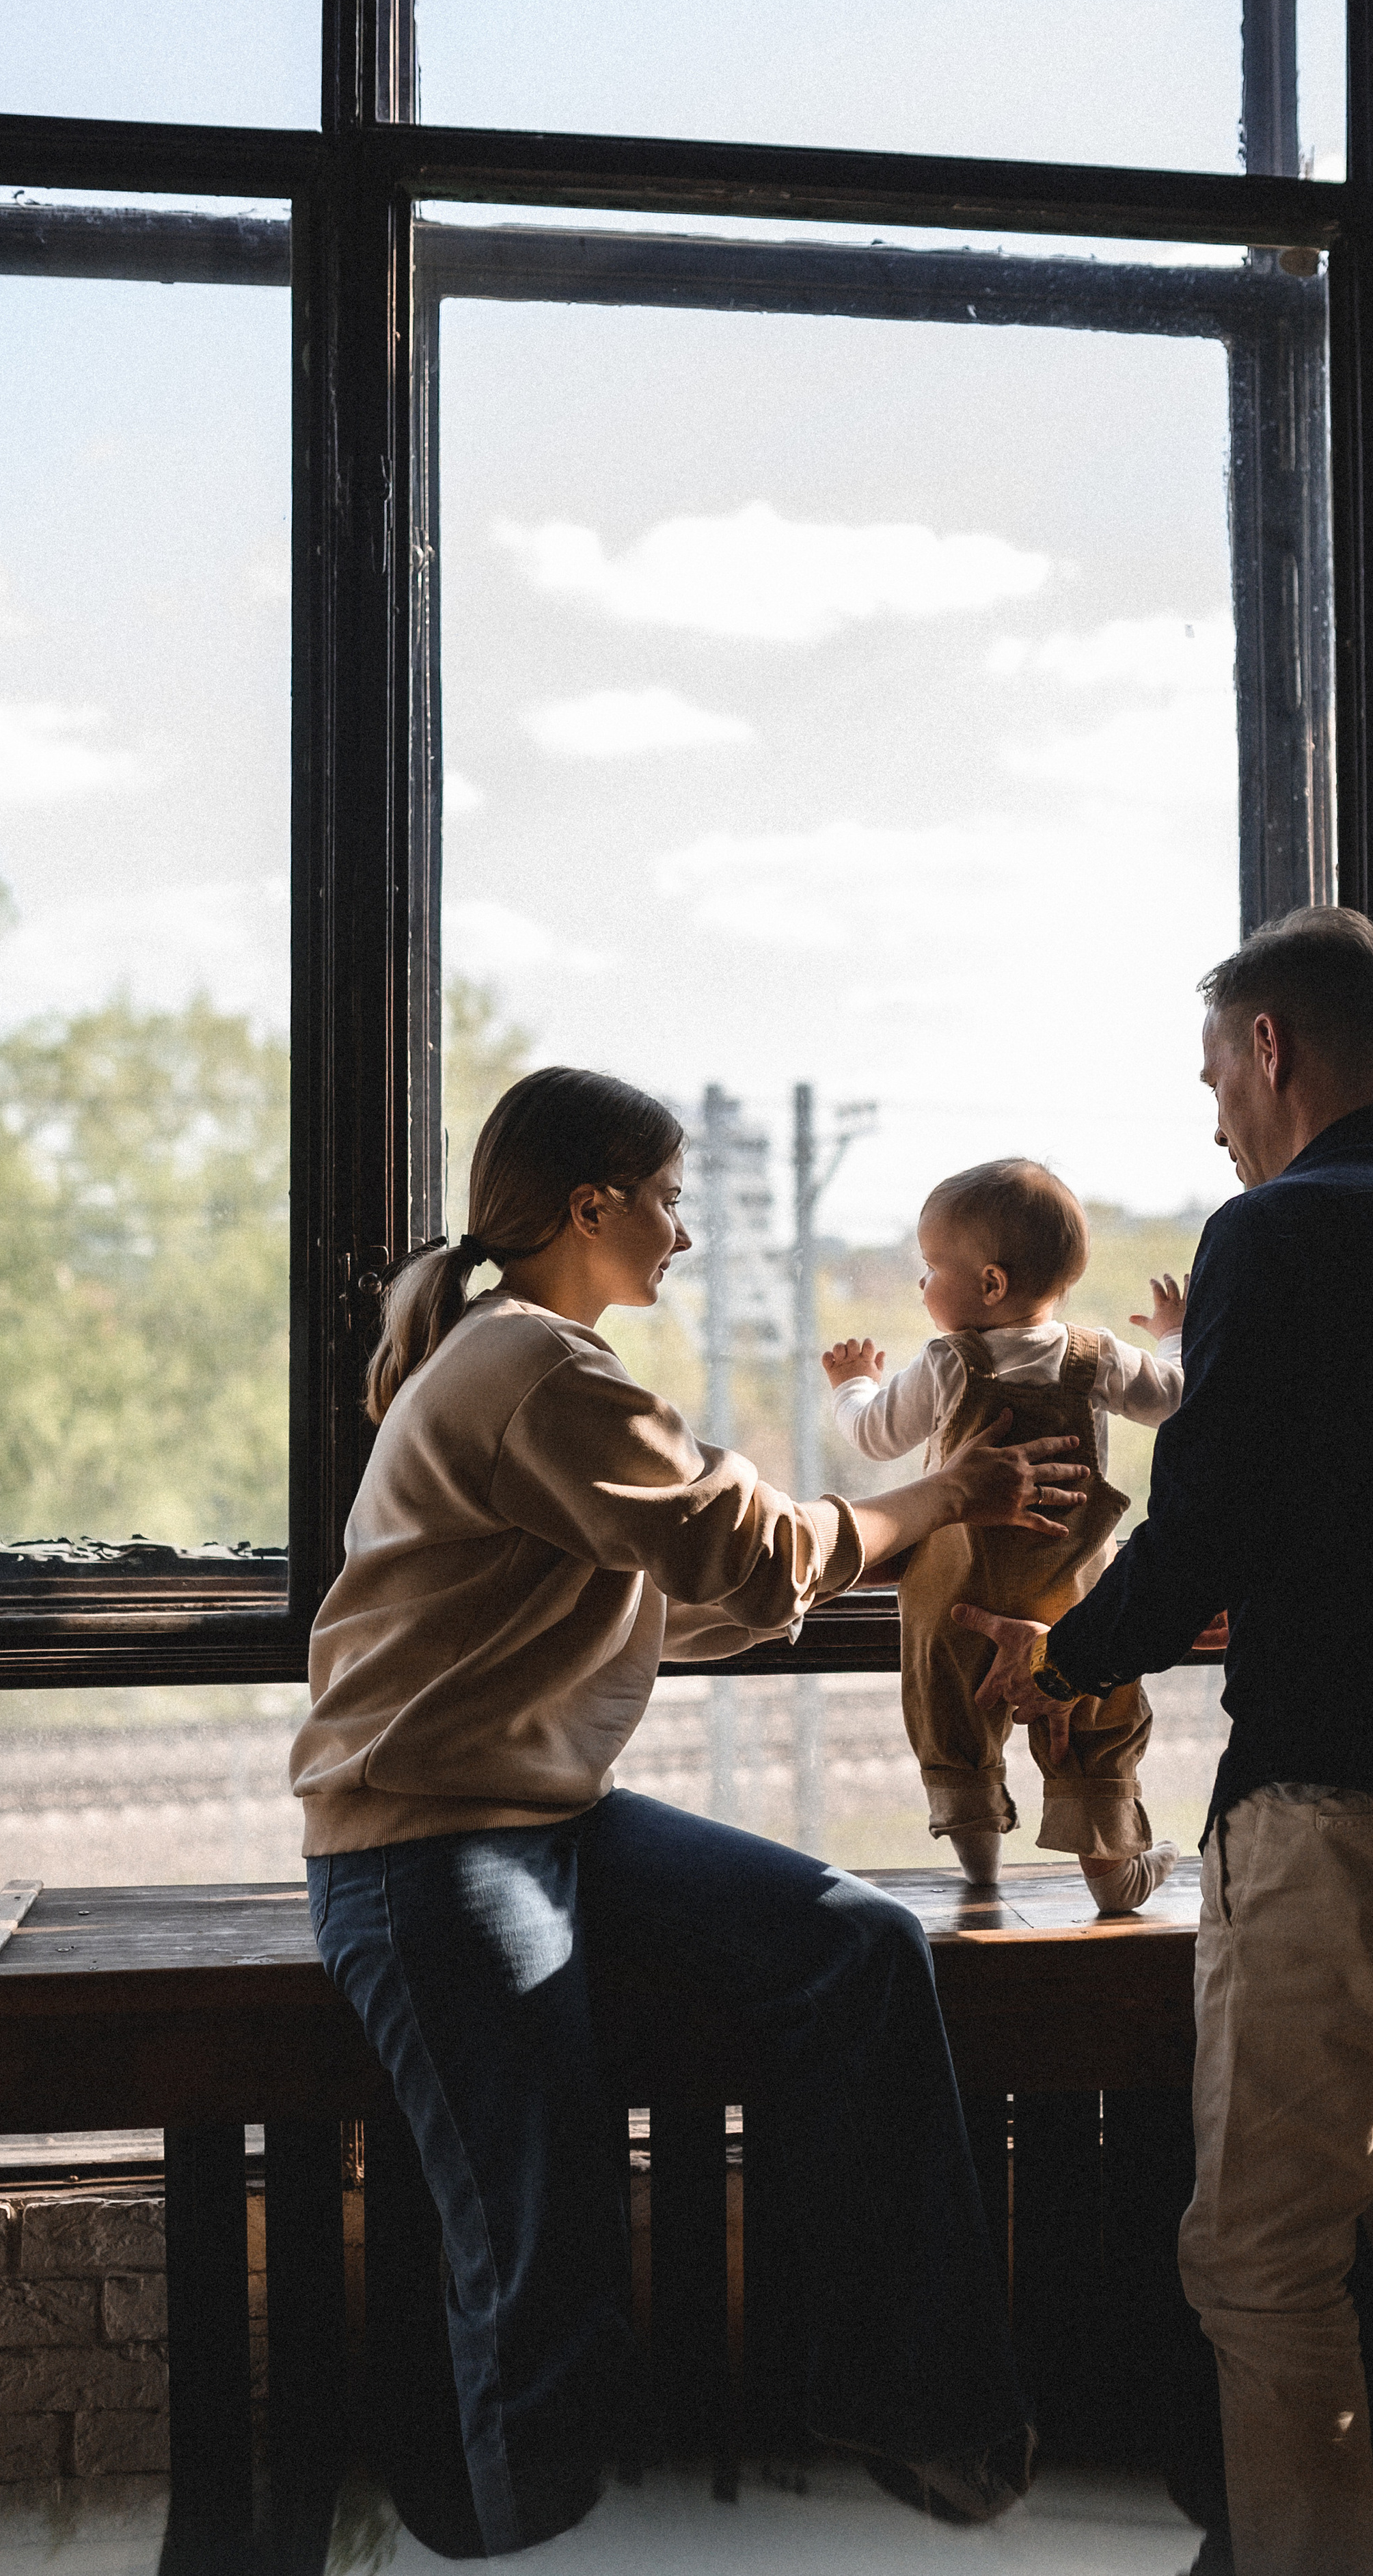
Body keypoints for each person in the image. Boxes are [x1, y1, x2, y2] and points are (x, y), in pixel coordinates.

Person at [290, 1065, 1087, 2555]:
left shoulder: (527, 1362)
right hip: (424, 1842)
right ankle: (537, 2534)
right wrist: (937, 1497)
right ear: (588, 1206)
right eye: (667, 1199)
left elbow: (684, 1596)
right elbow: (749, 1549)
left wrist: (823, 1557)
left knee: (859, 1949)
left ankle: (908, 2411)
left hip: (548, 1817)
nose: (684, 1230)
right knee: (545, 2248)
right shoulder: (532, 1368)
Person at [957, 908, 1373, 2576]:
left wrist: (1060, 1653)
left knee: (1260, 2263)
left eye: (1212, 1074)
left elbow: (1204, 1518)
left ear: (1271, 1049)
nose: (1211, 1116)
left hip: (1341, 1810)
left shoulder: (1275, 1229)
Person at [823, 1155, 1186, 1904]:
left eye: (930, 1267)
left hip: (955, 1591)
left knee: (952, 1717)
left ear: (988, 1283)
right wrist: (1178, 1335)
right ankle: (1116, 1874)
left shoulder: (947, 1364)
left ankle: (980, 1874)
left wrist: (852, 1383)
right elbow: (1177, 1397)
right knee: (1094, 1724)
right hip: (1068, 1593)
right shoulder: (1099, 1358)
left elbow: (873, 1436)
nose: (922, 1284)